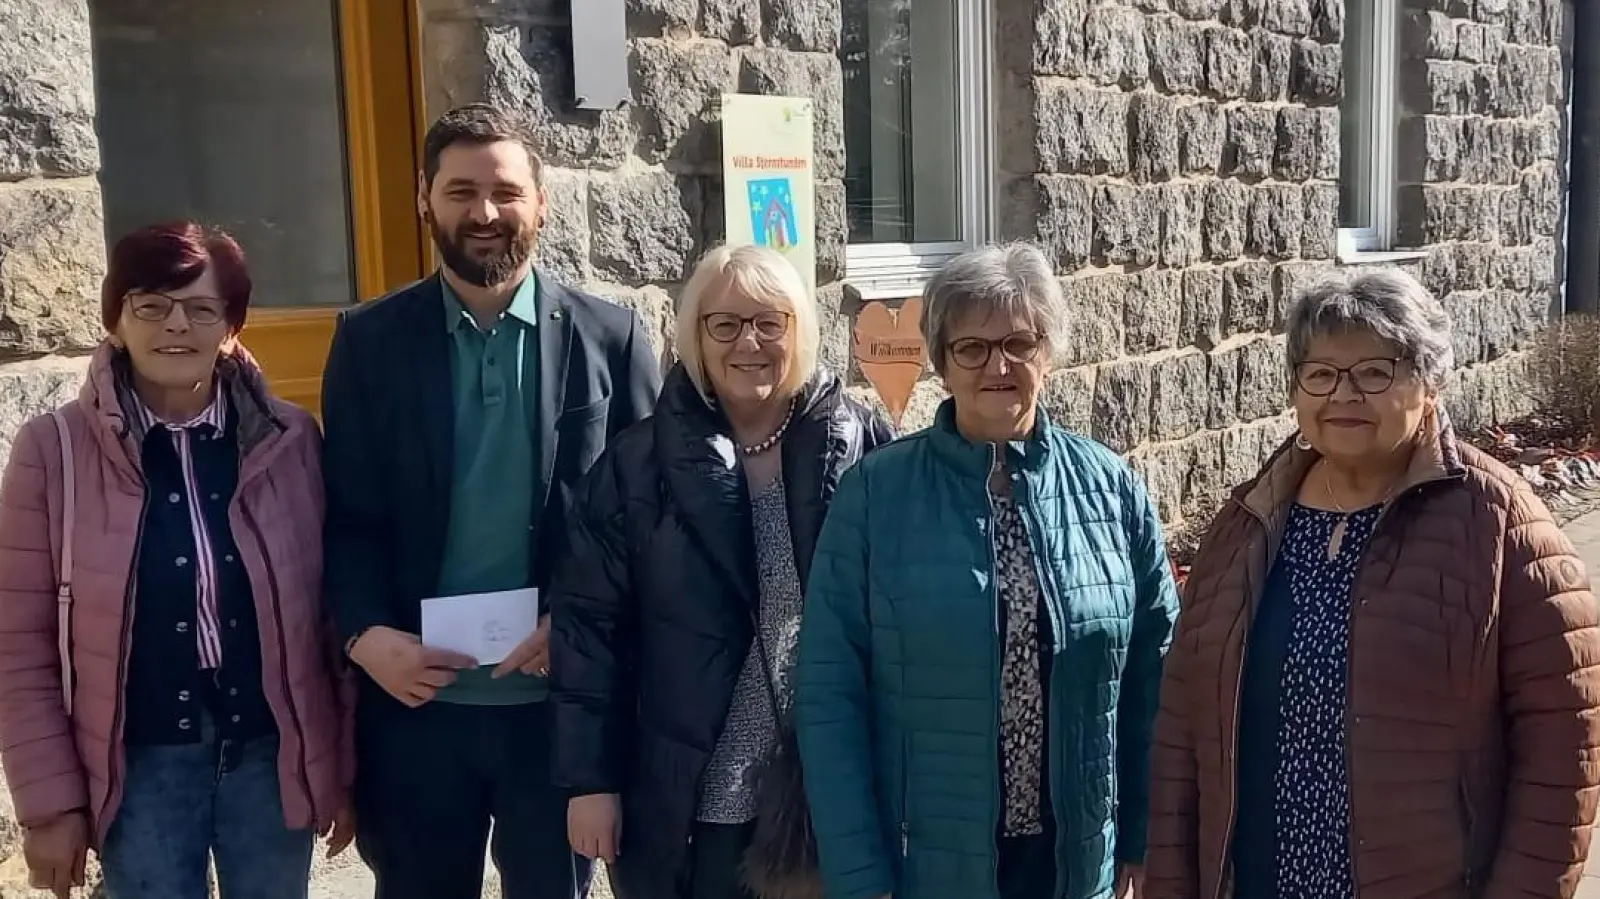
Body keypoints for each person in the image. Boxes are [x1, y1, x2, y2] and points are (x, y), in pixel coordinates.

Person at [1143, 267, 1600, 899]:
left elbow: (1562, 749)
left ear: (1429, 382)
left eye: (1374, 372)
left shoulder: (1498, 521)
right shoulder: (1249, 520)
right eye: (1321, 374)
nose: (1342, 395)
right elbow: (1184, 729)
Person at [321, 102, 660, 899]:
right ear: (424, 199)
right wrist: (364, 635)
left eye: (505, 191)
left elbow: (645, 519)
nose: (484, 212)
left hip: (557, 711)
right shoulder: (368, 342)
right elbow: (345, 516)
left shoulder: (611, 339)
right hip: (417, 705)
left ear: (541, 201)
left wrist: (576, 623)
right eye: (460, 190)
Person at [793, 242, 1180, 899]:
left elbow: (1157, 679)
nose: (997, 364)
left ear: (1048, 353)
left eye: (1019, 343)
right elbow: (830, 695)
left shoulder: (1112, 489)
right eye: (971, 346)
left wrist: (1141, 837)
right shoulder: (875, 494)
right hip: (925, 861)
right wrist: (860, 875)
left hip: (1074, 860)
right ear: (942, 361)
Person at [0, 221, 355, 899]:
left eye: (201, 308)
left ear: (231, 325)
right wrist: (50, 807)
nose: (176, 326)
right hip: (140, 766)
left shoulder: (290, 441)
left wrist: (338, 766)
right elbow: (19, 646)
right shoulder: (55, 452)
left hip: (267, 758)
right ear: (115, 320)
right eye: (152, 306)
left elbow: (327, 619)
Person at [549, 244, 893, 899]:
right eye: (726, 324)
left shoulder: (859, 444)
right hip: (691, 798)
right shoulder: (636, 465)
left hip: (826, 793)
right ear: (695, 337)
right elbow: (588, 628)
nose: (749, 343)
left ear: (800, 330)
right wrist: (590, 781)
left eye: (770, 322)